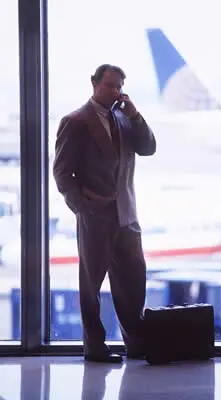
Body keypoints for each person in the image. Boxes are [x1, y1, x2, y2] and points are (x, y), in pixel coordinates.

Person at [53, 64, 156, 363]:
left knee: (134, 281)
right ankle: (94, 347)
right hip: (96, 216)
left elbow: (148, 148)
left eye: (119, 86)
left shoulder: (125, 118)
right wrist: (83, 208)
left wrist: (136, 115)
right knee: (91, 284)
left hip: (127, 215)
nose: (115, 91)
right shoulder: (76, 121)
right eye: (109, 85)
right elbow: (62, 173)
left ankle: (136, 344)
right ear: (94, 84)